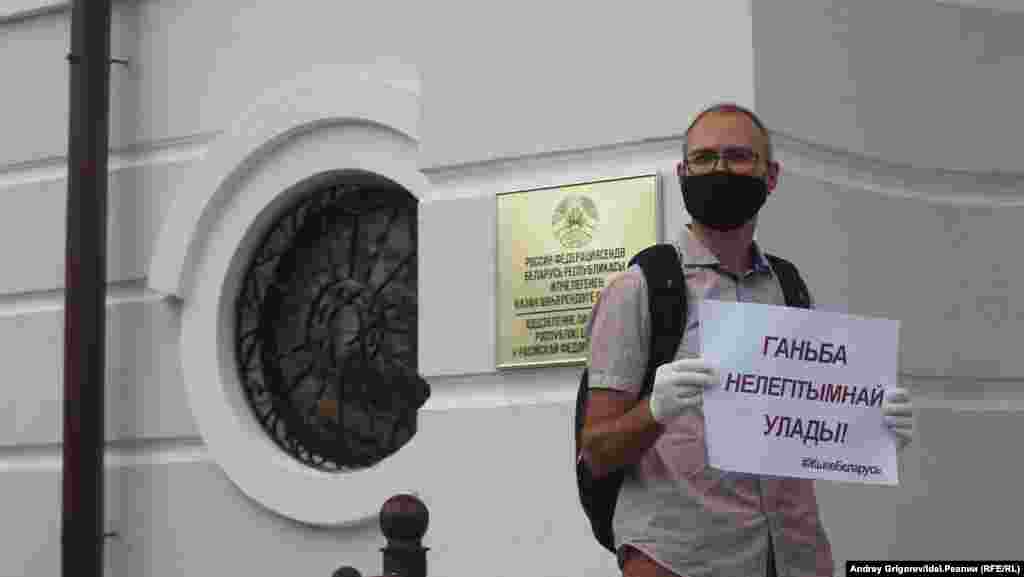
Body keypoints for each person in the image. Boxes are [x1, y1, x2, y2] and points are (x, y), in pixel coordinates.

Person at [579, 103, 916, 577]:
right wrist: (654, 411)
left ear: (770, 176)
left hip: (793, 556)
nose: (720, 169)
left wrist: (870, 427)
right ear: (682, 174)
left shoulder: (788, 287)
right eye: (704, 158)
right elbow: (596, 452)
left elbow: (801, 420)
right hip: (679, 561)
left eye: (738, 156)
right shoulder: (642, 289)